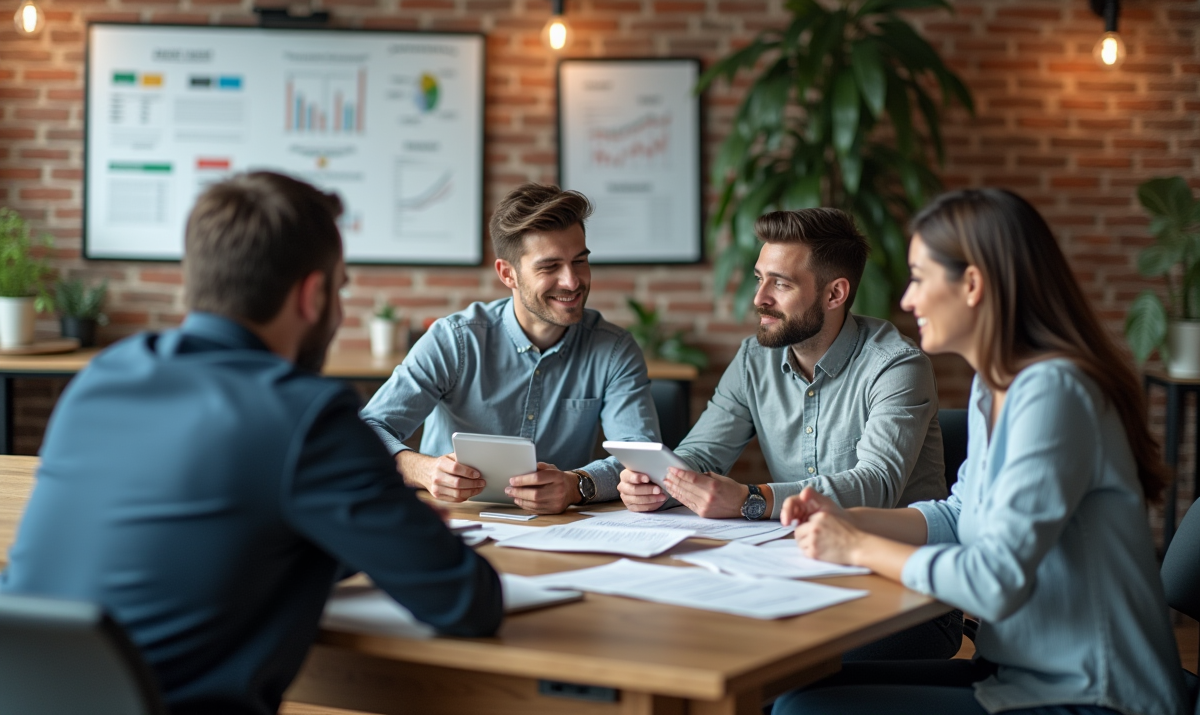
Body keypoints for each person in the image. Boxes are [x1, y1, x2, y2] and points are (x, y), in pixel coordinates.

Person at [0, 172, 503, 715]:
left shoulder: (101, 378)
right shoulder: (306, 416)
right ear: (312, 296)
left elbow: (213, 542)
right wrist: (397, 533)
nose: (338, 311)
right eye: (339, 289)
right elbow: (465, 601)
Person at [775, 189, 1187, 715]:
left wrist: (854, 547)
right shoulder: (993, 385)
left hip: (1094, 694)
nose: (906, 300)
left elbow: (993, 583)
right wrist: (851, 519)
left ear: (971, 284)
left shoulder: (1054, 391)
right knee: (797, 692)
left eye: (920, 277)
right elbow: (959, 513)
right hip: (1016, 672)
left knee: (805, 710)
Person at [618, 207, 957, 661]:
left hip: (904, 594)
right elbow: (703, 452)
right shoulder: (753, 359)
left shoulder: (896, 367)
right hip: (795, 573)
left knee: (759, 659)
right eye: (759, 278)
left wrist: (749, 499)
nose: (759, 298)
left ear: (835, 293)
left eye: (780, 283)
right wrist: (662, 480)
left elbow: (875, 484)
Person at [361, 183, 660, 514]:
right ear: (508, 274)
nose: (572, 281)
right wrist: (424, 470)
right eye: (550, 267)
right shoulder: (454, 339)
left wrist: (577, 485)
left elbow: (641, 456)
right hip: (453, 523)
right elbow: (366, 433)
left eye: (579, 261)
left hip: (560, 531)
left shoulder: (614, 349)